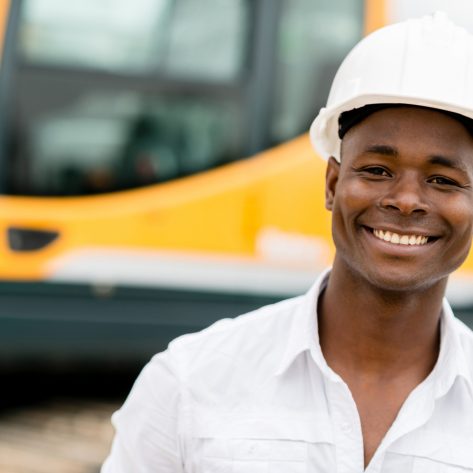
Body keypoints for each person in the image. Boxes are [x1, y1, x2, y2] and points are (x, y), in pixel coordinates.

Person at [101, 12, 473, 472]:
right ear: (332, 184)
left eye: (442, 179)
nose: (405, 201)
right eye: (377, 170)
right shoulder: (190, 383)